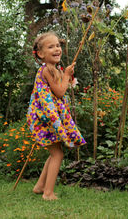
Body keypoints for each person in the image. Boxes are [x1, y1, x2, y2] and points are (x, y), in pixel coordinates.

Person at [26, 31, 86, 201]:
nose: (56, 49)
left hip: (45, 118)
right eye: (51, 46)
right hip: (43, 120)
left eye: (58, 45)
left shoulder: (53, 69)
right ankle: (48, 193)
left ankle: (40, 186)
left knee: (56, 152)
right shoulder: (46, 70)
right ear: (41, 54)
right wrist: (67, 76)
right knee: (57, 155)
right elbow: (59, 92)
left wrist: (64, 74)